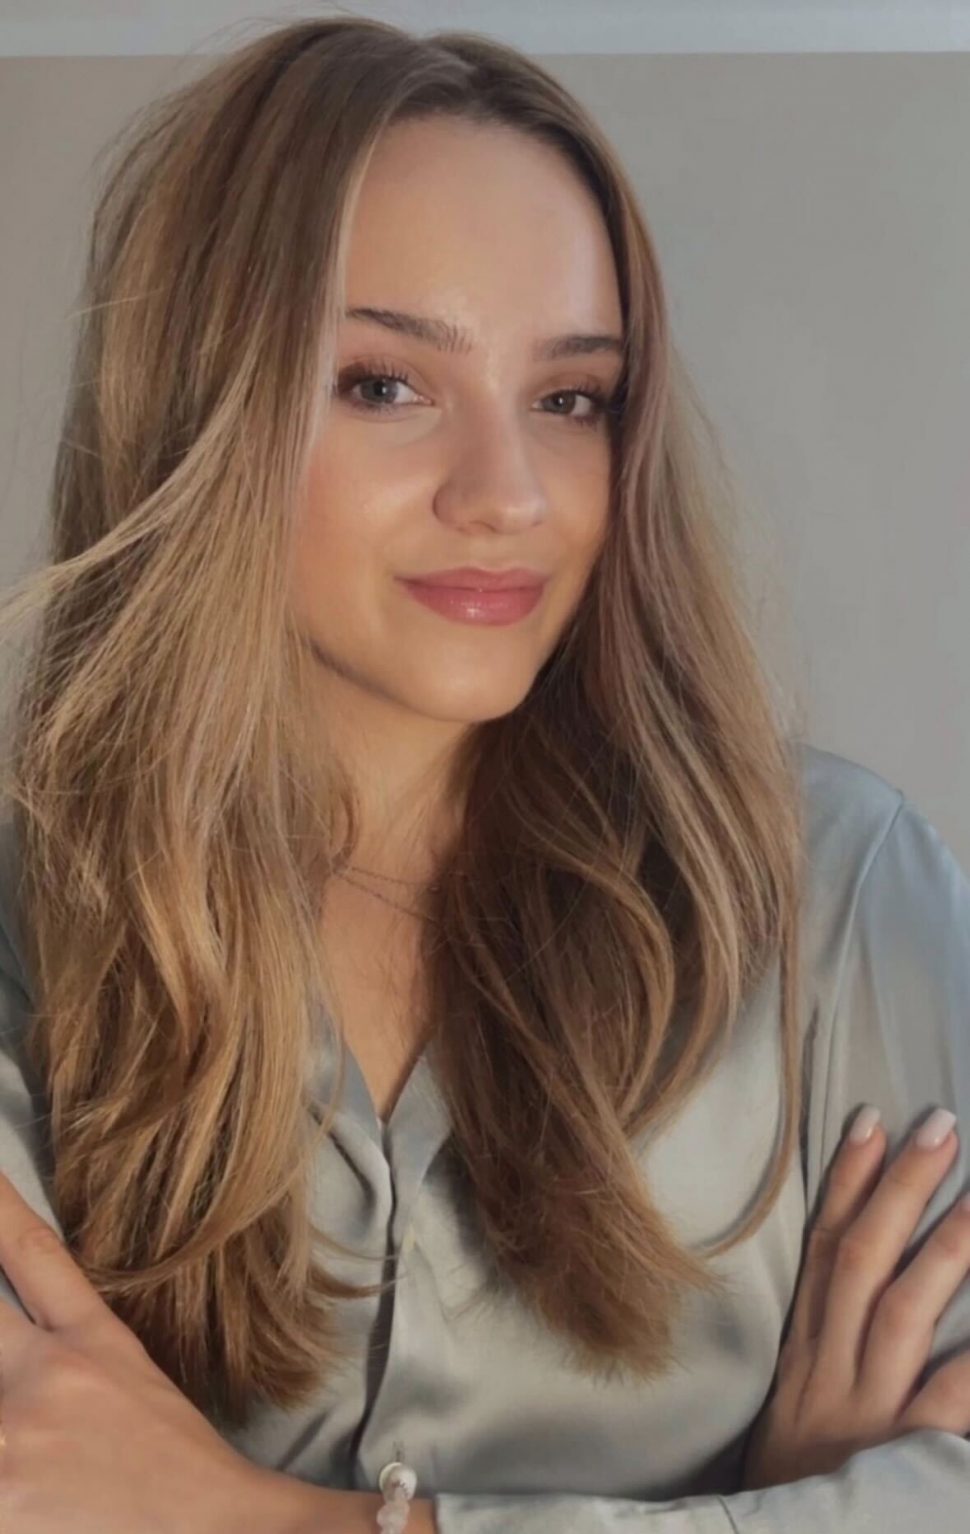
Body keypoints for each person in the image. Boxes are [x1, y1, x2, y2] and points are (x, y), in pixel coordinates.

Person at [0, 16, 967, 1533]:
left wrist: (258, 1516)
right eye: (385, 384)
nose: (508, 496)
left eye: (570, 399)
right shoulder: (32, 910)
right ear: (203, 400)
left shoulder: (841, 901)